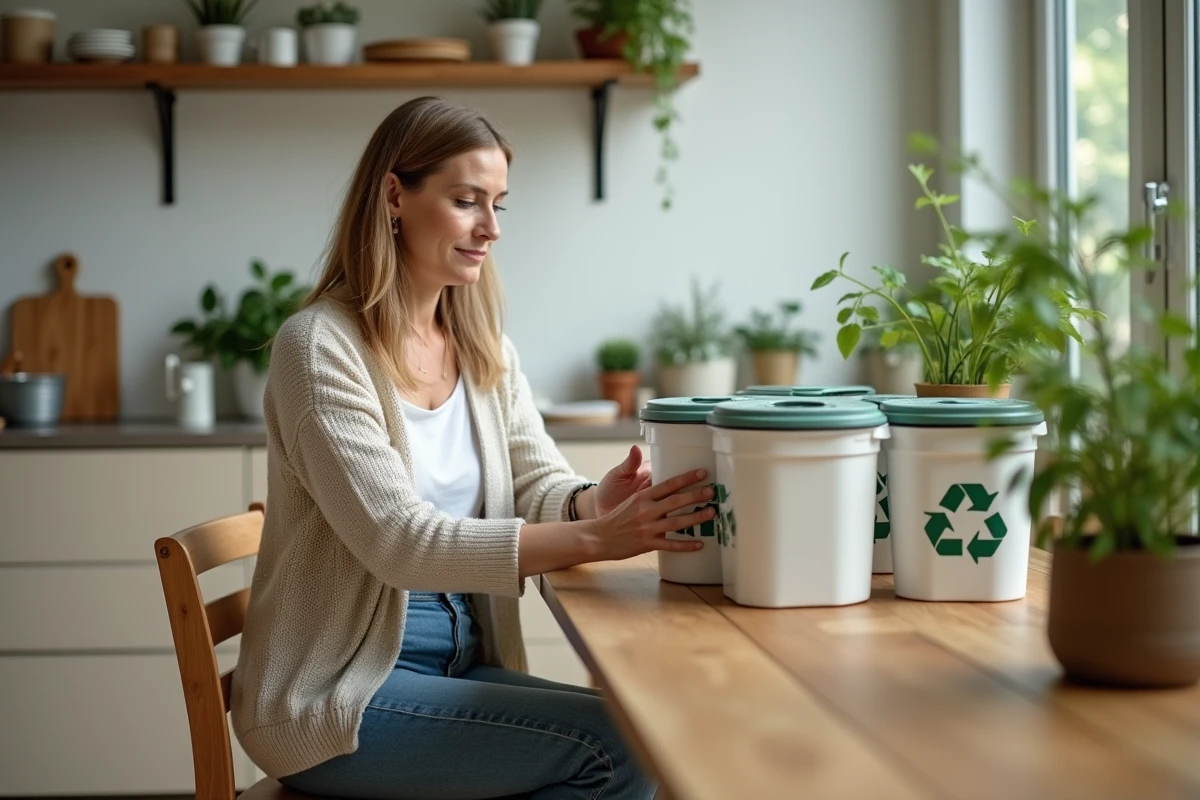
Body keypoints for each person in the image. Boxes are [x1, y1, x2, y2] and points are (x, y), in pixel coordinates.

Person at [230, 96, 716, 800]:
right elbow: (399, 542)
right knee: (618, 751)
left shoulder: (482, 347)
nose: (491, 228)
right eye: (467, 201)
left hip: (460, 658)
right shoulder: (319, 348)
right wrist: (591, 539)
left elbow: (531, 481)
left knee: (646, 730)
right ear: (395, 195)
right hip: (340, 693)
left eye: (500, 205)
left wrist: (592, 499)